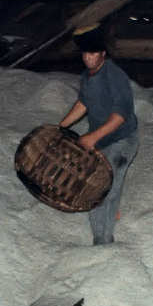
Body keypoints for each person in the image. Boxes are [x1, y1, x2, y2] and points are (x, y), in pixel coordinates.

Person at [58, 24, 139, 245]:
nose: (88, 58)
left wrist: (92, 138)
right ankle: (103, 229)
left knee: (106, 188)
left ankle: (104, 241)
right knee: (95, 186)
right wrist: (61, 126)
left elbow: (120, 115)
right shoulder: (87, 76)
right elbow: (83, 102)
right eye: (85, 53)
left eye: (93, 53)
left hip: (122, 139)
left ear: (103, 53)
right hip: (102, 140)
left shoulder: (115, 77)